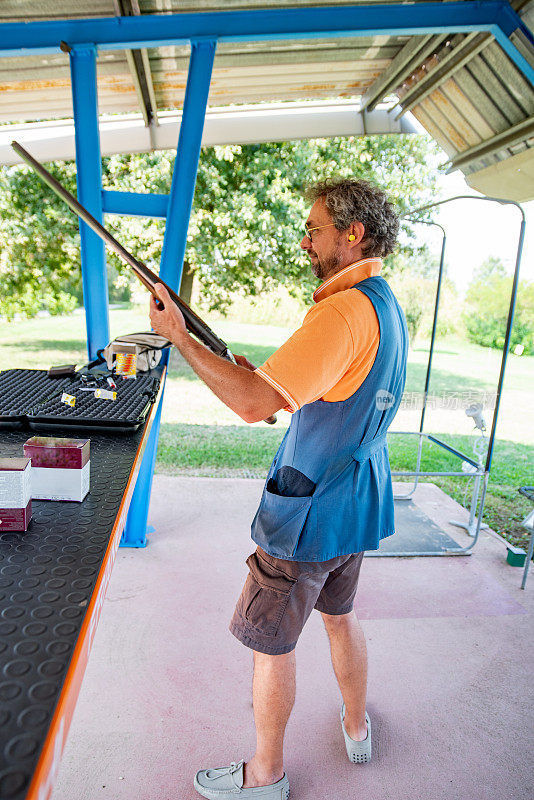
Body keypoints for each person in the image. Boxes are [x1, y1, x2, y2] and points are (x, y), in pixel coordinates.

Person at [149, 178, 408, 800]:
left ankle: (264, 776)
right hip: (356, 502)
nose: (305, 240)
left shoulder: (340, 313)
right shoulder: (383, 303)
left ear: (355, 234)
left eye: (316, 228)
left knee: (271, 644)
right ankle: (356, 727)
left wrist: (179, 338)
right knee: (341, 618)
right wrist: (268, 387)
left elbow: (251, 404)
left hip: (309, 514)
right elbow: (325, 391)